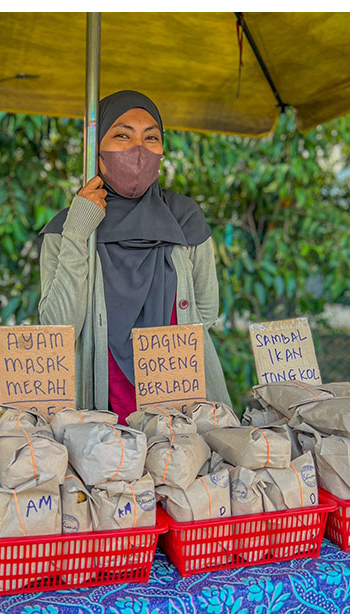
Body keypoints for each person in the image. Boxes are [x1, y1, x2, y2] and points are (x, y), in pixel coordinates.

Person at [39, 90, 230, 419]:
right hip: (101, 427)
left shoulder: (184, 217)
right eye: (122, 135)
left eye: (151, 137)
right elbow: (59, 327)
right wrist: (78, 231)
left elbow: (207, 314)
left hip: (183, 420)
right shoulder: (68, 228)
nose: (139, 150)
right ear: (96, 148)